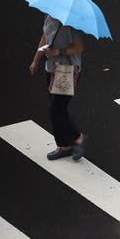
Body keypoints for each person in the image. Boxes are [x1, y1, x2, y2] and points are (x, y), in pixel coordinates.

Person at [29, 14, 88, 161]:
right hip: (51, 69)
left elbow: (79, 47)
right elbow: (45, 37)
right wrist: (35, 60)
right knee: (57, 109)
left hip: (66, 71)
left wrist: (57, 52)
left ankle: (78, 137)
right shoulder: (48, 18)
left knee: (56, 109)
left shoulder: (71, 25)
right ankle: (64, 146)